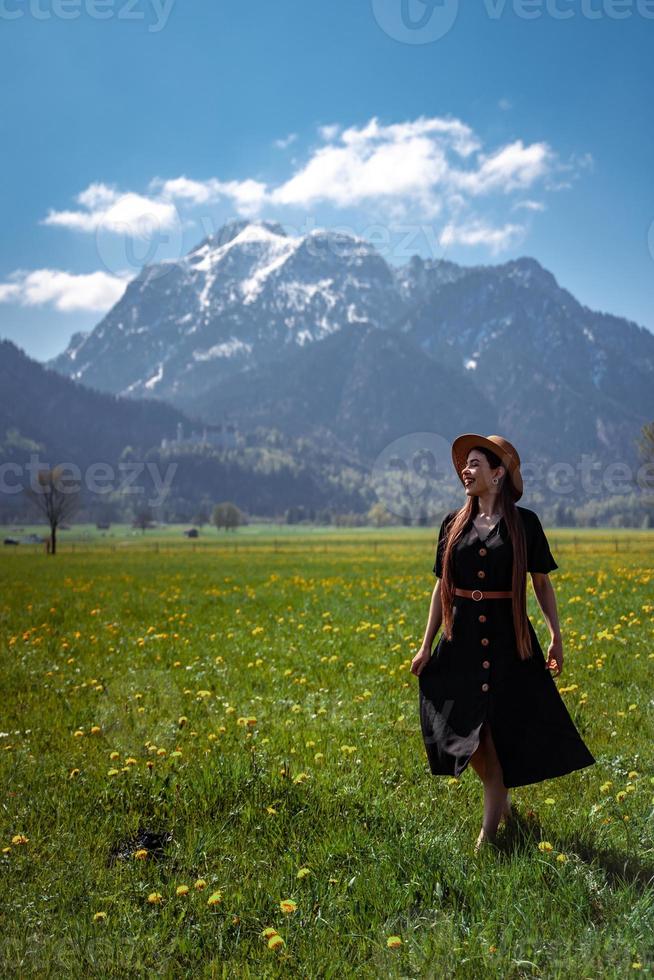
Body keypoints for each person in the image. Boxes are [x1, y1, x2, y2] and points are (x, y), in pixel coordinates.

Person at [410, 433, 596, 853]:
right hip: (460, 646)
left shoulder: (524, 523)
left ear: (498, 474)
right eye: (465, 464)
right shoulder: (451, 524)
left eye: (476, 463)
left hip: (509, 644)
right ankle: (502, 800)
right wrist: (426, 646)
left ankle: (487, 840)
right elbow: (441, 590)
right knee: (458, 730)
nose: (466, 470)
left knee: (496, 737)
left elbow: (542, 584)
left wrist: (555, 635)